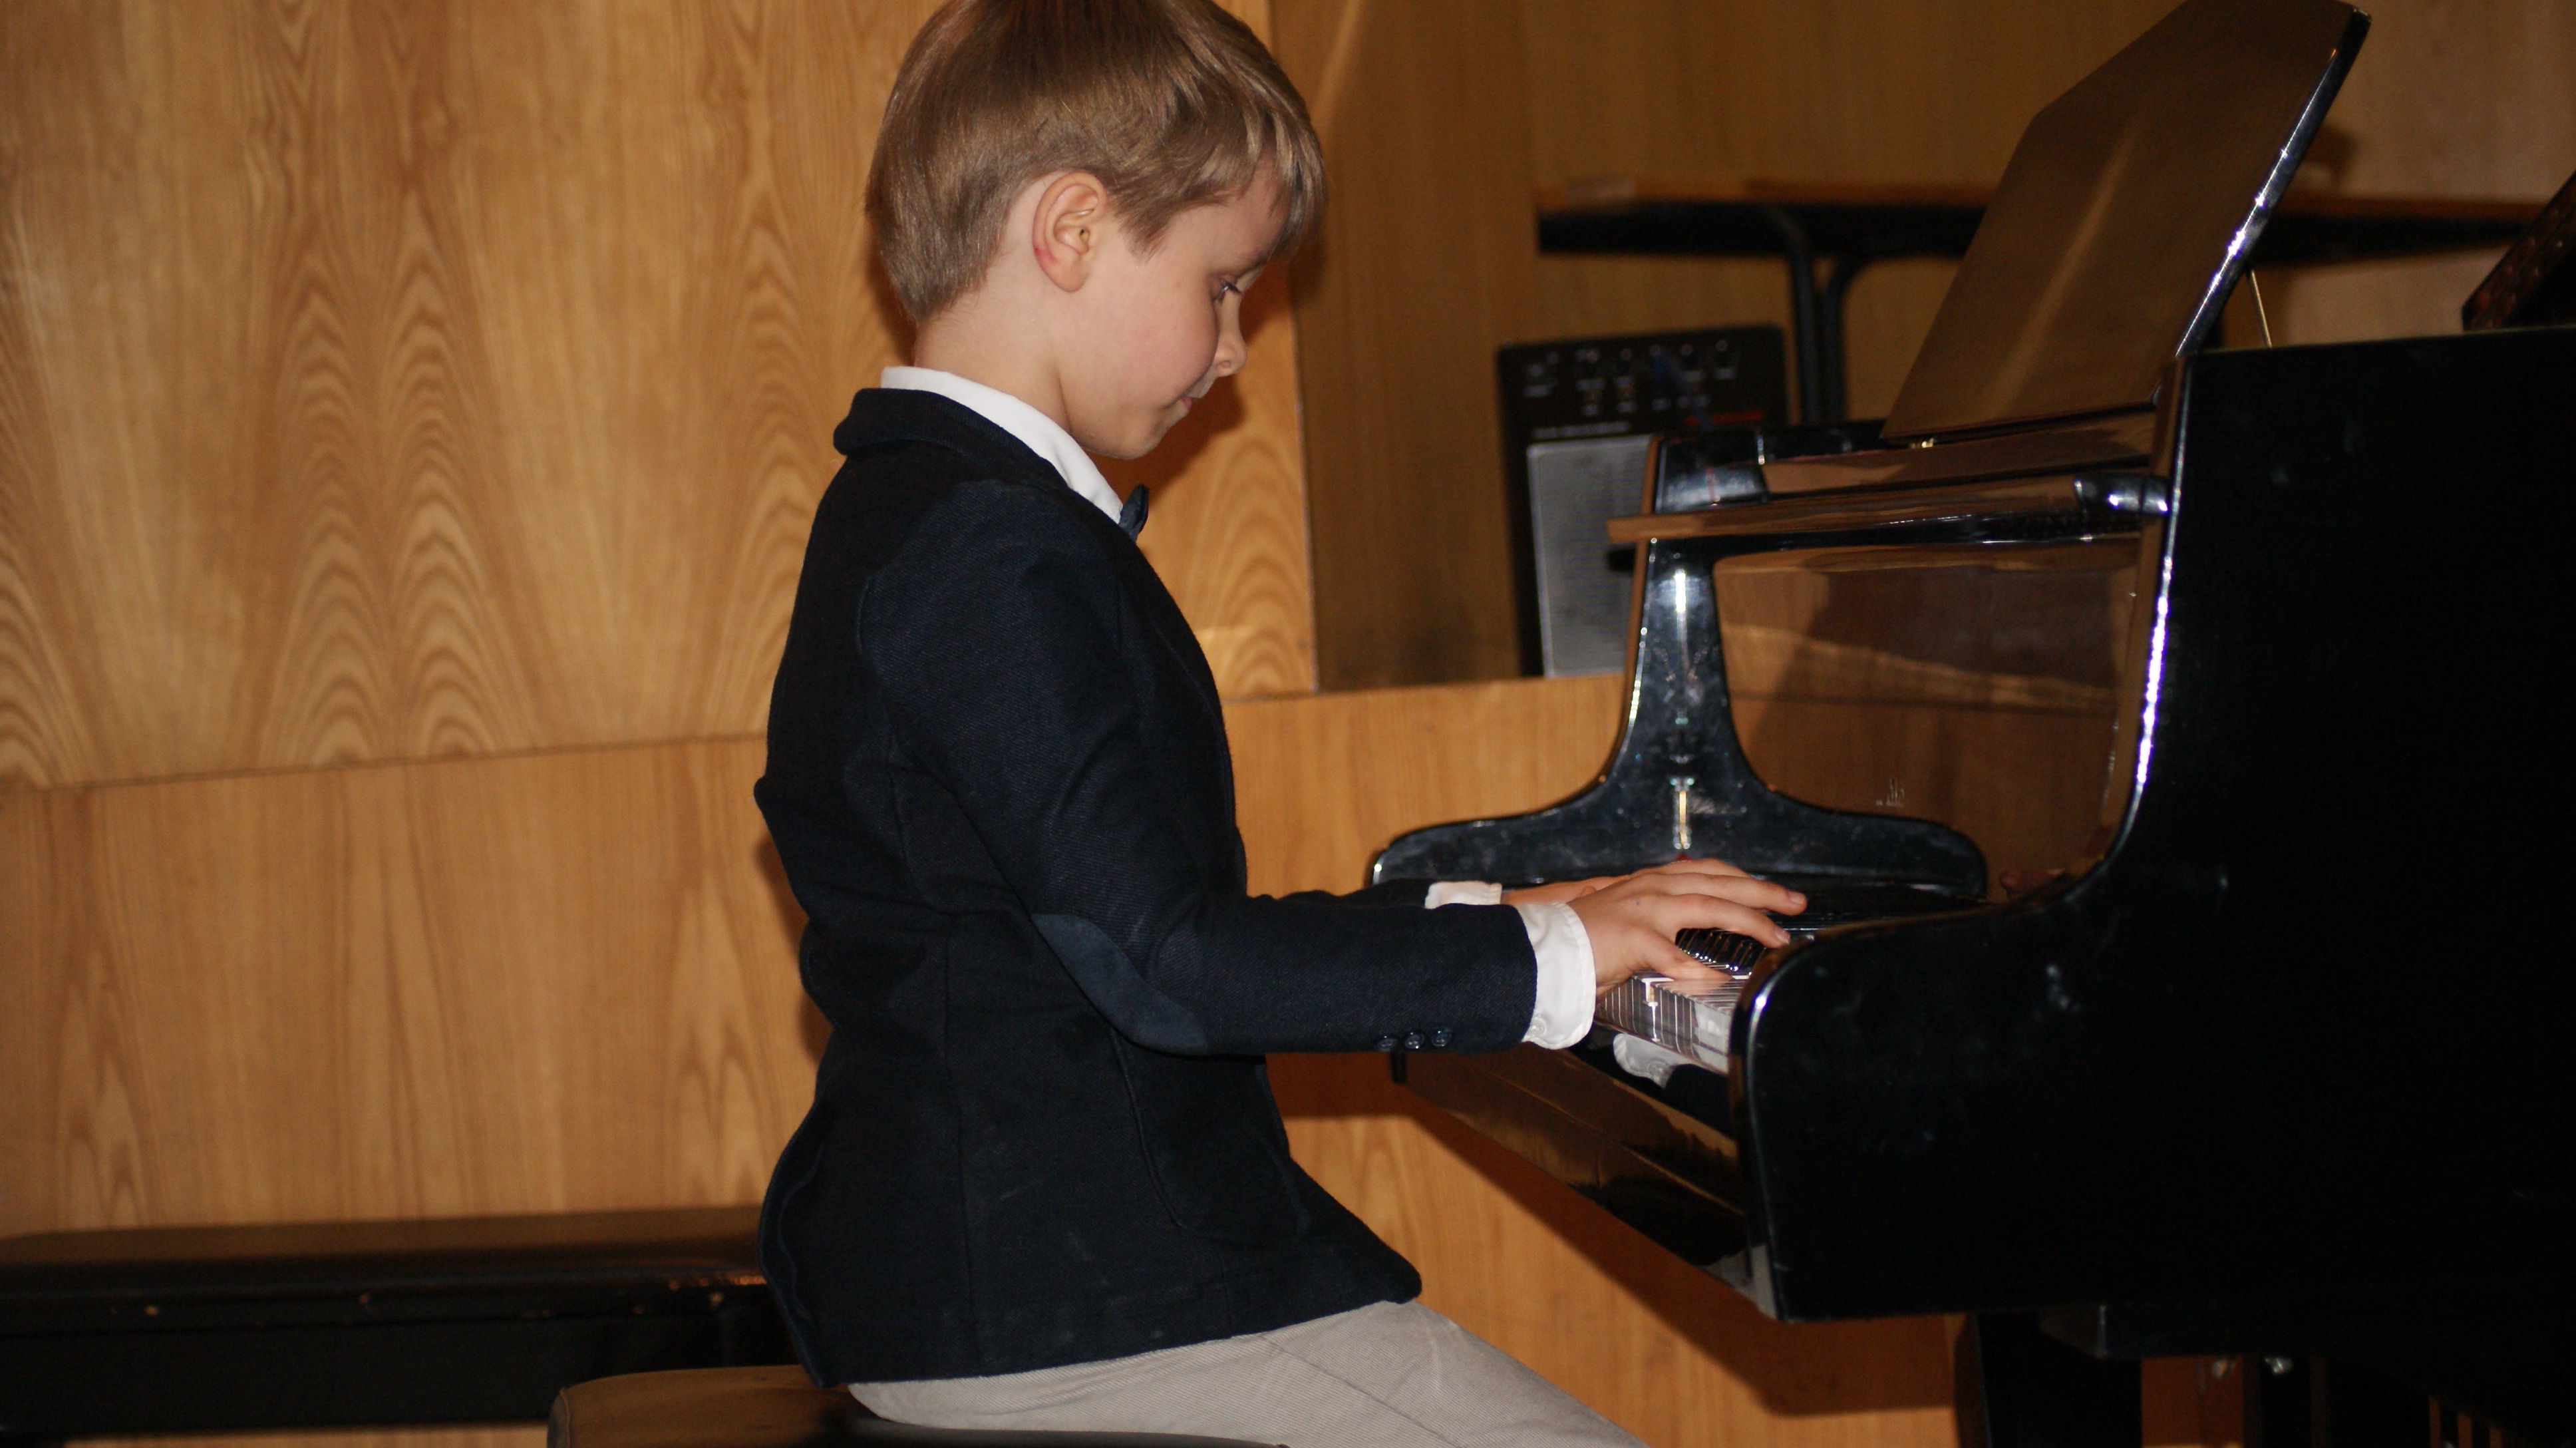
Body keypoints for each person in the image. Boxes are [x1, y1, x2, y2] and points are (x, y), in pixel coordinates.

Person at [752, 1, 1803, 1442]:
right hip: (1077, 1301)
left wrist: (1521, 911)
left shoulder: (919, 512)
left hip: (1025, 1280)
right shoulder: (986, 549)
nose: (1236, 345)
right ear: (1071, 230)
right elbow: (1169, 962)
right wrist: (1549, 956)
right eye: (1224, 283)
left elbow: (1127, 927)